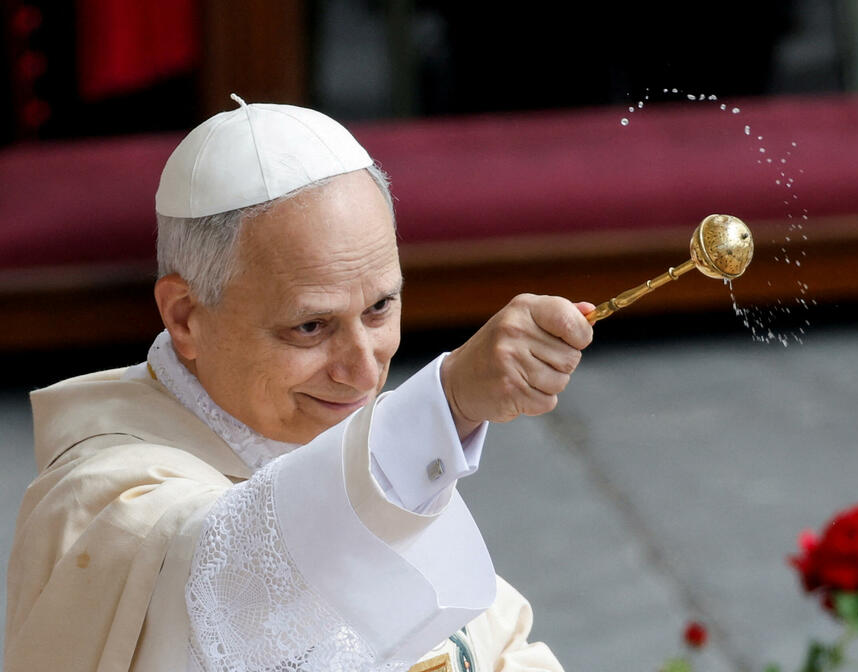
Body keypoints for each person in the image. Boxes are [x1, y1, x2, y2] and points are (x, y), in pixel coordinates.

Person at [4, 96, 594, 672]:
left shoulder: (339, 445)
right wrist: (447, 405)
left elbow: (485, 641)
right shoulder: (104, 498)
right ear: (185, 315)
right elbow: (236, 586)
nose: (364, 372)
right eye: (311, 327)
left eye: (381, 307)